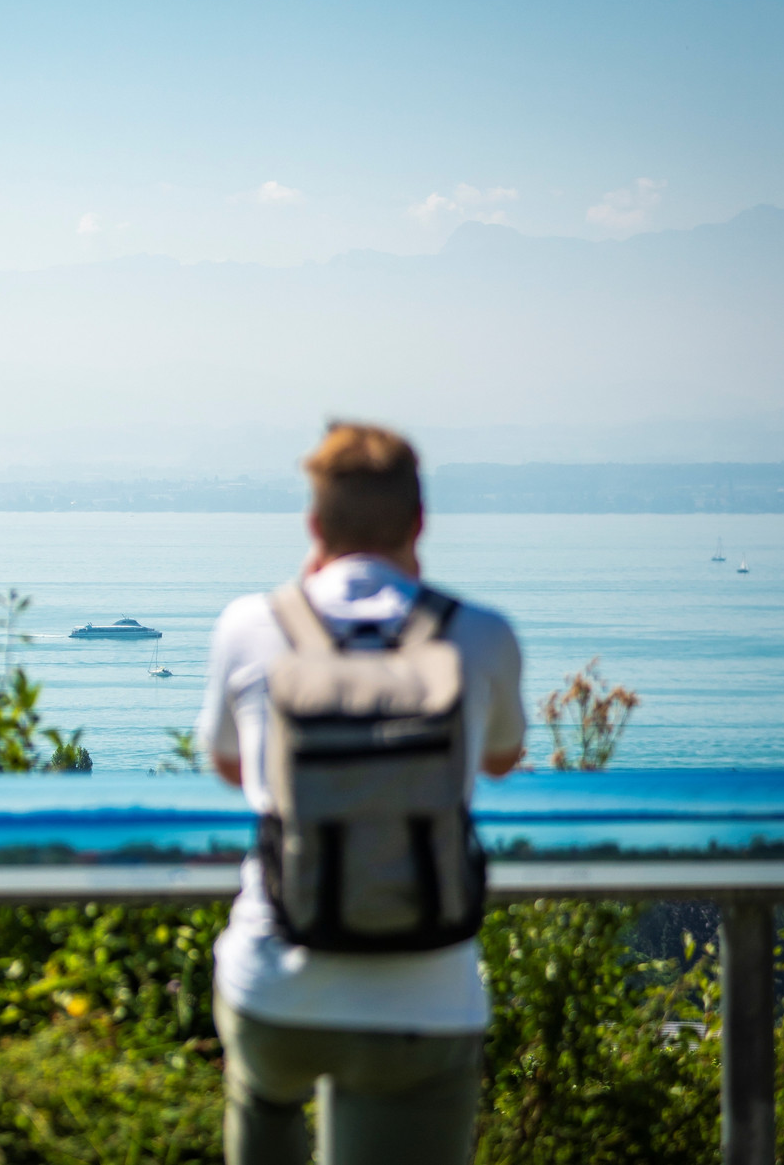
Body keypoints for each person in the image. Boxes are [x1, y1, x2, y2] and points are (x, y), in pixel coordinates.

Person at [197, 423, 525, 1165]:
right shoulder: (479, 632)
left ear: (313, 524)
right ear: (420, 521)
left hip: (276, 978)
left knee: (264, 1090)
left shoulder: (252, 625)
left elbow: (226, 764)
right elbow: (502, 758)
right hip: (426, 994)